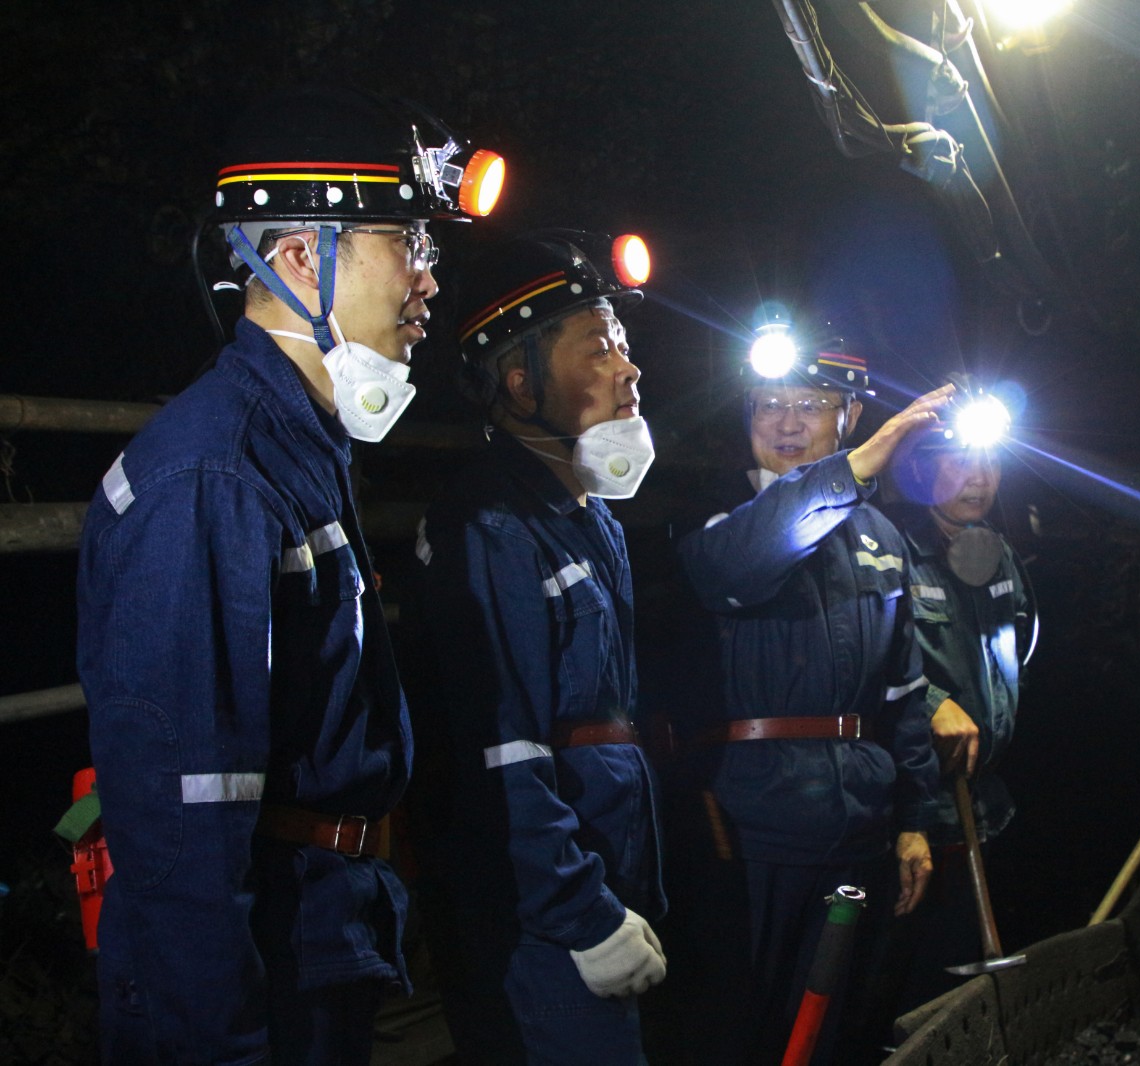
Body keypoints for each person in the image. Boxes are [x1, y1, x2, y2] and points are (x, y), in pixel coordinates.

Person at [75, 86, 501, 1064]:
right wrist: (221, 1043)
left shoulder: (295, 444)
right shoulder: (215, 475)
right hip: (260, 963)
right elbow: (185, 811)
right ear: (304, 258)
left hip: (316, 930)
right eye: (409, 243)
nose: (430, 279)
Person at [405, 230, 667, 1064]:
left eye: (623, 346)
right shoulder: (490, 528)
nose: (629, 370)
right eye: (598, 349)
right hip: (539, 925)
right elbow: (501, 759)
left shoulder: (592, 520)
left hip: (604, 884)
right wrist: (583, 917)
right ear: (519, 384)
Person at [665, 322, 955, 1065]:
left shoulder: (883, 538)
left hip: (857, 827)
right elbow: (735, 569)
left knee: (830, 1027)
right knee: (736, 1031)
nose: (787, 423)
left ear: (849, 415)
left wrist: (914, 822)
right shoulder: (714, 511)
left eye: (811, 404)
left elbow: (904, 693)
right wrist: (850, 473)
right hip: (749, 830)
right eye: (769, 404)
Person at [874, 407, 1030, 1021]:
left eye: (990, 462)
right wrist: (934, 705)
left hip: (984, 802)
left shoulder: (997, 553)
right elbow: (869, 664)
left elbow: (1019, 646)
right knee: (907, 973)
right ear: (919, 469)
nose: (979, 477)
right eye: (960, 460)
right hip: (917, 807)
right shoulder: (891, 549)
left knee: (961, 967)